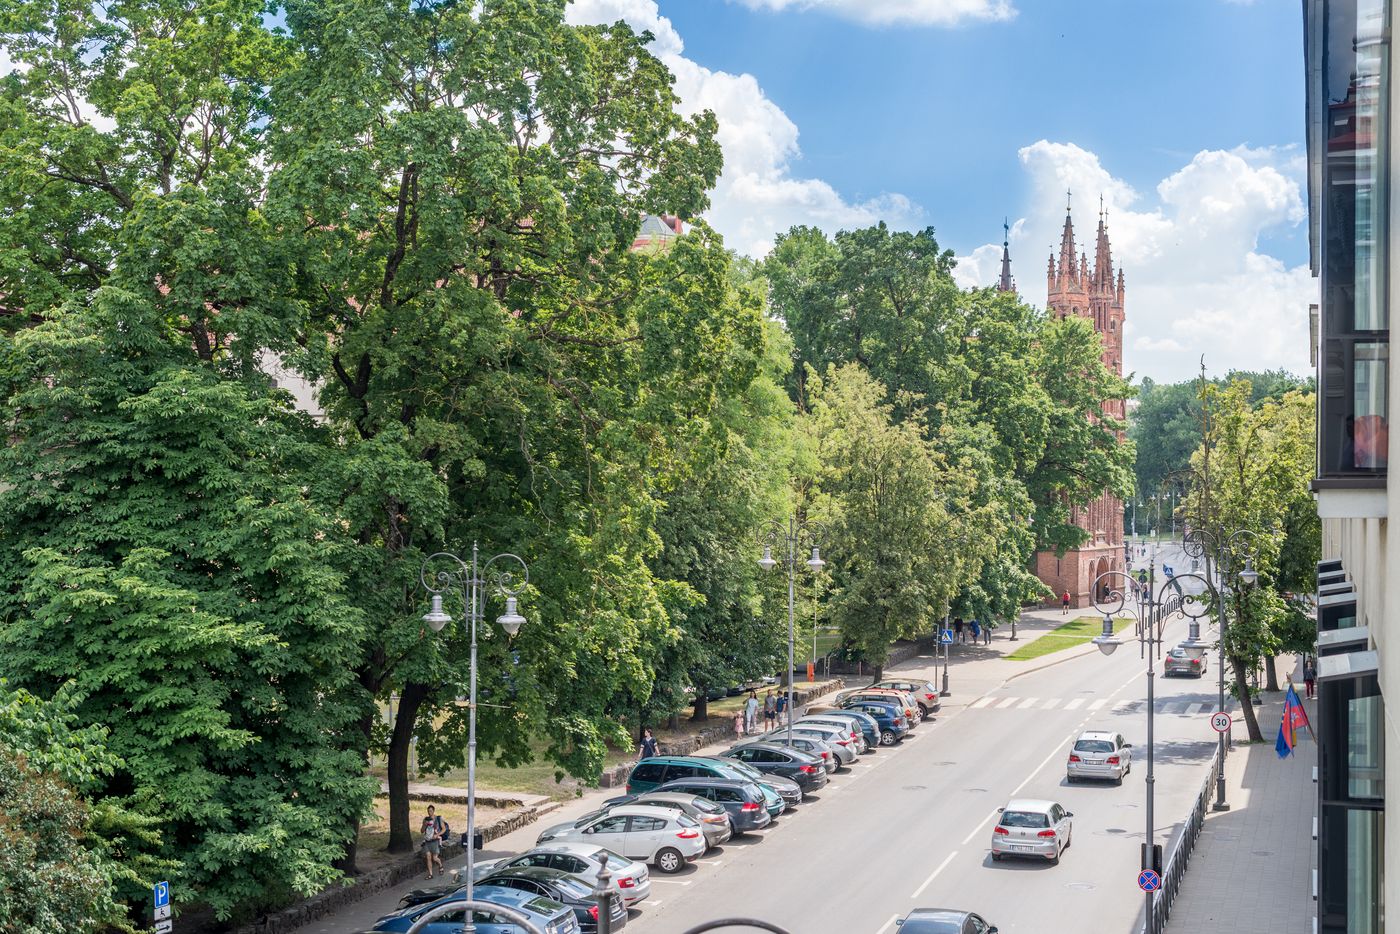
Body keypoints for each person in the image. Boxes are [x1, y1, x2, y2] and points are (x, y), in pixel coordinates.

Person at [421, 805, 445, 879]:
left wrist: (437, 834)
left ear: (433, 811)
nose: (429, 813)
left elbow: (444, 829)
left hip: (435, 841)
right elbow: (422, 831)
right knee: (428, 857)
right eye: (428, 811)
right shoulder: (425, 819)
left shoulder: (438, 818)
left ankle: (440, 864)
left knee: (434, 858)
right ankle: (430, 874)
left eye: (431, 811)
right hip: (427, 841)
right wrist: (424, 825)